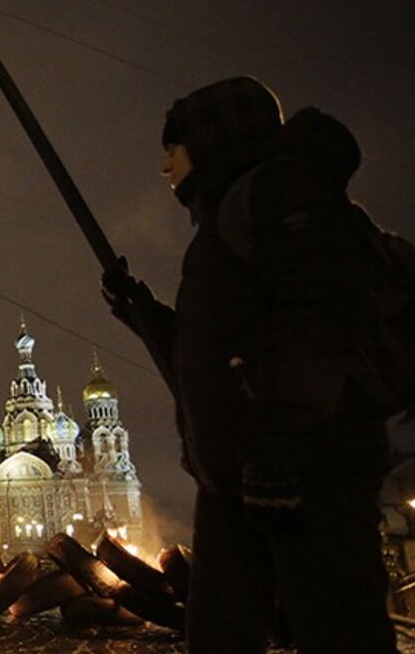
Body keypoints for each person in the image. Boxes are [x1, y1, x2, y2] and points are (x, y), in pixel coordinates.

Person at [102, 76, 396, 653]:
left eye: (174, 150)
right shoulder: (229, 217)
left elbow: (315, 320)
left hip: (303, 469)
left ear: (214, 142)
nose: (166, 168)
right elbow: (217, 348)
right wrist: (144, 313)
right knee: (221, 635)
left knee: (338, 628)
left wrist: (281, 442)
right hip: (239, 471)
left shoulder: (280, 194)